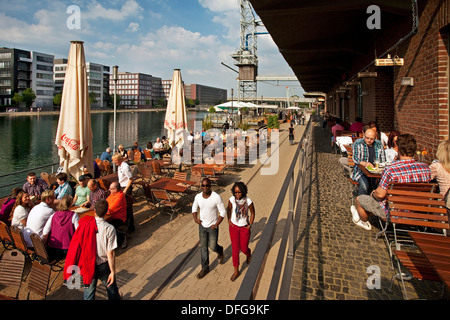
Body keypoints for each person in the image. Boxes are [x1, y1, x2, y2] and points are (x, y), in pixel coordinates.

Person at [351, 134, 432, 230]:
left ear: (398, 149)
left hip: (394, 211)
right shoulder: (425, 168)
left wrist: (373, 194)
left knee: (360, 199)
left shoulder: (391, 169)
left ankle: (363, 221)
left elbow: (380, 195)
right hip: (418, 210)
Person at [64, 199, 121, 300]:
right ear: (106, 211)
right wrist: (112, 271)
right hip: (103, 264)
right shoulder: (110, 228)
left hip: (87, 264)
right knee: (111, 288)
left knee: (89, 293)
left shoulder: (85, 223)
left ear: (94, 211)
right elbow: (110, 252)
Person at [192, 178, 226, 279]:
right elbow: (194, 207)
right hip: (202, 226)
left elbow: (223, 212)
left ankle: (220, 250)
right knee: (203, 247)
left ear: (210, 186)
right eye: (203, 186)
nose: (205, 188)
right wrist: (195, 219)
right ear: (201, 186)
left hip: (212, 227)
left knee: (212, 246)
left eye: (207, 186)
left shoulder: (216, 197)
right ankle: (205, 268)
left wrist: (216, 224)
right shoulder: (198, 197)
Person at [226, 182, 255, 281]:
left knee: (243, 248)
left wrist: (249, 225)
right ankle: (236, 271)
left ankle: (248, 253)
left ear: (243, 191)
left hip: (244, 228)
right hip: (233, 227)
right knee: (235, 249)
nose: (237, 194)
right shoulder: (231, 200)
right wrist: (229, 220)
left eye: (239, 192)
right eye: (235, 192)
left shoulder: (248, 201)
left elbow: (252, 213)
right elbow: (228, 209)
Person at [42, 195, 79, 260]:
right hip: (67, 248)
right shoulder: (73, 215)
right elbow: (79, 231)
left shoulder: (54, 215)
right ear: (70, 204)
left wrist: (45, 246)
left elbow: (45, 231)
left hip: (53, 247)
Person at [351, 128, 386, 196]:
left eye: (372, 139)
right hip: (361, 172)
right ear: (364, 135)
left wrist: (378, 174)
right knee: (365, 186)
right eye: (367, 138)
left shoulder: (379, 144)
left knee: (381, 188)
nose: (369, 140)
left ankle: (376, 204)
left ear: (375, 138)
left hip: (376, 173)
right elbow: (355, 158)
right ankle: (361, 204)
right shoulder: (358, 143)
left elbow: (383, 160)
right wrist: (365, 164)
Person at [106, 182, 128, 248]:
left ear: (115, 190)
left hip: (118, 218)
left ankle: (123, 239)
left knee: (109, 227)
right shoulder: (112, 195)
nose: (109, 190)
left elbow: (111, 209)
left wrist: (104, 209)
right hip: (110, 216)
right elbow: (106, 203)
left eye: (110, 189)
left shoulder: (120, 196)